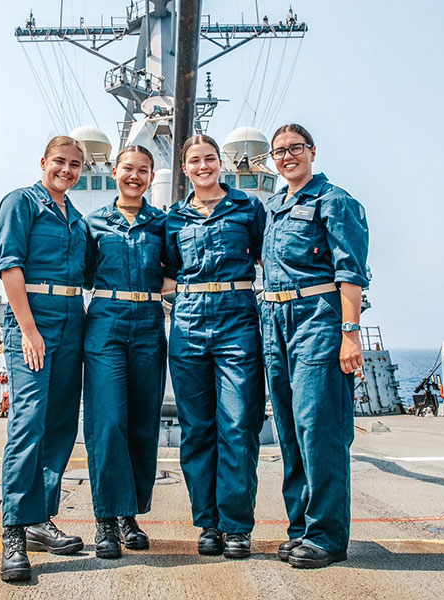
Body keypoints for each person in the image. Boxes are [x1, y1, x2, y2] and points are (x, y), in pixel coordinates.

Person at [260, 123, 368, 569]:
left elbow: (352, 272)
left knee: (318, 428)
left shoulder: (335, 201)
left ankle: (327, 536)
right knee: (289, 428)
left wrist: (350, 332)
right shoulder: (272, 207)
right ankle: (301, 527)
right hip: (274, 319)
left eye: (295, 149)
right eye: (280, 151)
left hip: (318, 319)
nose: (288, 157)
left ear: (312, 152)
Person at [164, 134, 265, 559]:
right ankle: (208, 524)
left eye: (209, 159)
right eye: (194, 160)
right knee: (198, 429)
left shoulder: (249, 208)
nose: (203, 166)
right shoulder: (173, 218)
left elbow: (269, 259)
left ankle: (237, 526)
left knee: (239, 425)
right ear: (184, 167)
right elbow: (164, 272)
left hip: (237, 318)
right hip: (187, 322)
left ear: (220, 162)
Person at [0, 136, 88, 582]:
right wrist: (29, 331)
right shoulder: (21, 202)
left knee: (60, 424)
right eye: (60, 162)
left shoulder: (76, 218)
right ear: (44, 162)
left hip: (73, 320)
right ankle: (14, 530)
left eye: (74, 165)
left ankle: (39, 520)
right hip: (35, 321)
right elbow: (10, 265)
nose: (66, 170)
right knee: (29, 423)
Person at [83, 145, 167, 559]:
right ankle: (105, 520)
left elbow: (176, 271)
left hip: (150, 324)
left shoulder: (162, 224)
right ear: (115, 171)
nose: (135, 176)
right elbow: (77, 272)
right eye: (128, 169)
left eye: (144, 170)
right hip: (106, 323)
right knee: (109, 422)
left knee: (142, 424)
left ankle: (129, 515)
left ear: (152, 176)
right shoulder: (93, 222)